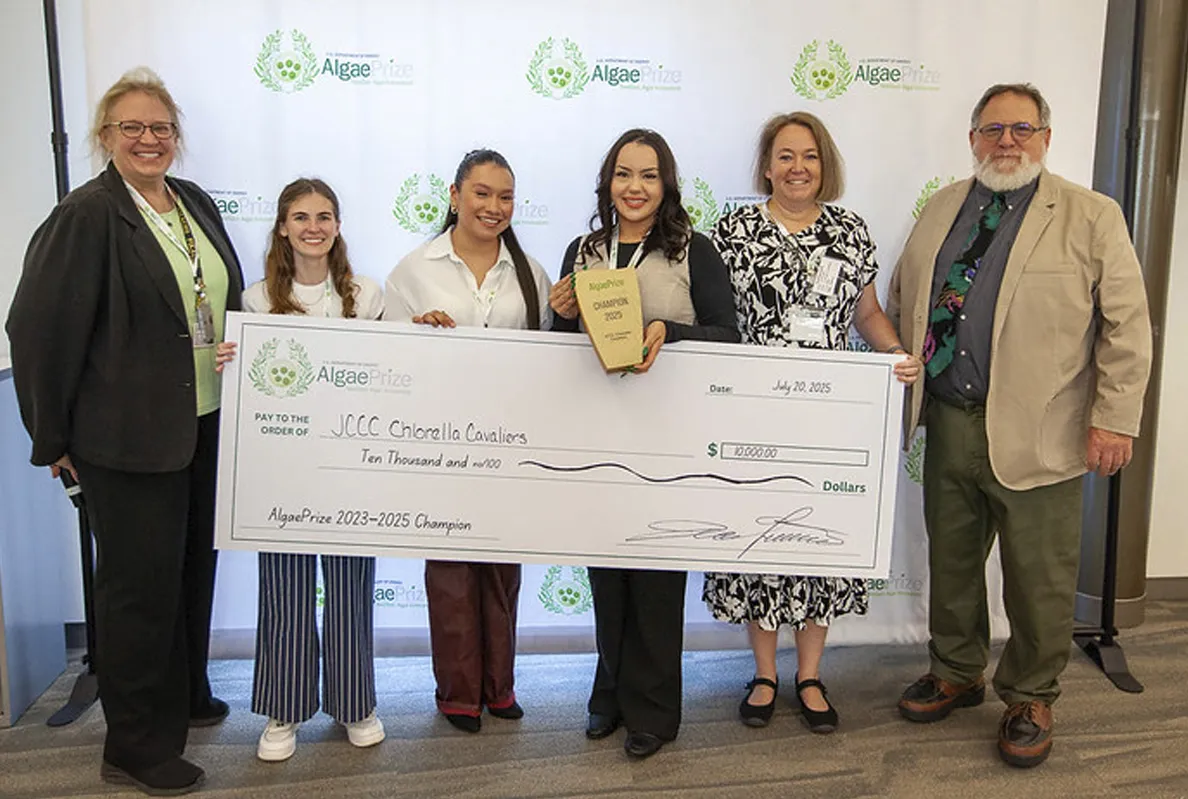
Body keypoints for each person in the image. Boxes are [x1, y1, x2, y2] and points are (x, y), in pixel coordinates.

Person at [887, 83, 1152, 768]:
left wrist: (1115, 417)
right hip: (948, 420)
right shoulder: (942, 208)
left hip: (1045, 428)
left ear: (1046, 138)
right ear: (973, 137)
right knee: (951, 559)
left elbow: (1127, 325)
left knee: (1038, 575)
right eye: (993, 128)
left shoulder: (1092, 215)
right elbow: (904, 298)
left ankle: (1031, 693)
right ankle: (956, 668)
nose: (1007, 141)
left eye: (1022, 128)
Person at [6, 67, 243, 795]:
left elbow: (212, 301)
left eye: (161, 127)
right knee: (138, 593)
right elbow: (36, 330)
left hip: (202, 424)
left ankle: (182, 696)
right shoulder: (86, 215)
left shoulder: (193, 202)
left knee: (188, 577)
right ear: (104, 137)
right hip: (125, 439)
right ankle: (133, 745)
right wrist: (53, 439)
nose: (148, 139)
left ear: (177, 137)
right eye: (131, 127)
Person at [700, 111, 922, 734]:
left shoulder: (851, 231)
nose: (798, 167)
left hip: (830, 417)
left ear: (826, 165)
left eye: (810, 156)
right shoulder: (732, 231)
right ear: (766, 166)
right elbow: (713, 314)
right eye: (786, 156)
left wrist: (894, 353)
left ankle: (810, 673)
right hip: (753, 413)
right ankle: (766, 672)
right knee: (760, 536)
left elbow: (867, 313)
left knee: (819, 539)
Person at [550, 128, 740, 759]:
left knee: (656, 578)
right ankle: (608, 694)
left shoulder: (693, 250)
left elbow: (728, 335)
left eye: (649, 175)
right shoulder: (584, 250)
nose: (635, 187)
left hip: (668, 439)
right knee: (607, 575)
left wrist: (670, 331)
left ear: (667, 186)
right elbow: (560, 350)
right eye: (624, 174)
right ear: (608, 181)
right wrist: (561, 312)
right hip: (598, 434)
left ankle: (653, 711)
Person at [215, 178, 385, 761]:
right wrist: (226, 361)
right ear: (283, 227)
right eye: (301, 217)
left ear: (338, 225)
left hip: (350, 464)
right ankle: (284, 711)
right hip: (282, 466)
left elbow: (390, 373)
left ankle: (356, 703)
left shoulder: (369, 292)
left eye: (325, 216)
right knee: (285, 588)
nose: (314, 226)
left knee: (349, 588)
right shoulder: (256, 297)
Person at [384, 149, 551, 733]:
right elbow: (387, 355)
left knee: (502, 568)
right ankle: (457, 693)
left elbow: (548, 358)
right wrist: (416, 333)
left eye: (505, 196)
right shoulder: (413, 270)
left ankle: (499, 686)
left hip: (510, 443)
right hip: (440, 441)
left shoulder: (531, 272)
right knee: (452, 568)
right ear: (455, 195)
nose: (494, 206)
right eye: (482, 193)